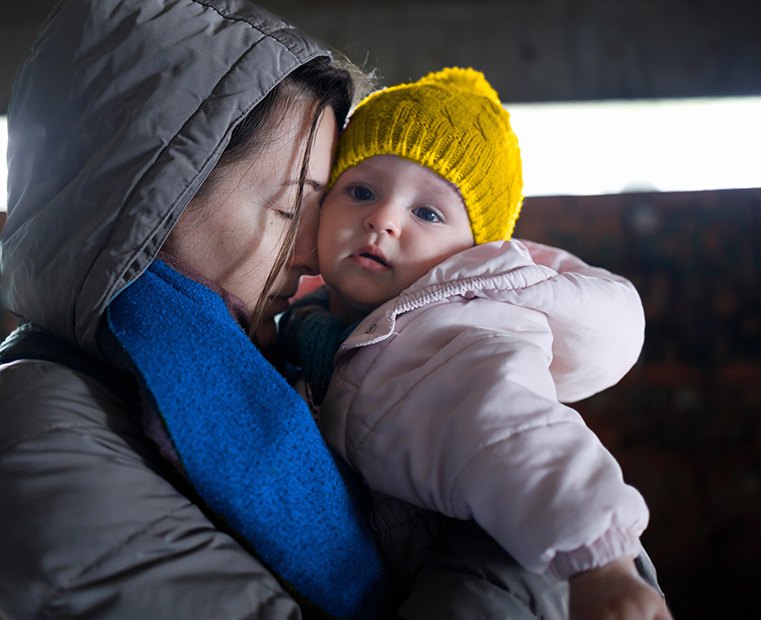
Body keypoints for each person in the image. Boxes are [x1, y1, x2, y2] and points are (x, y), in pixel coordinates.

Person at [0, 1, 396, 618]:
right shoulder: (36, 434)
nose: (312, 254)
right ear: (154, 197)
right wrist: (515, 538)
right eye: (289, 209)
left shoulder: (231, 383)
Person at [278, 67, 673, 619]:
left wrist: (601, 566)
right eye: (361, 191)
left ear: (469, 254)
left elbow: (523, 434)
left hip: (526, 556)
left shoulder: (457, 337)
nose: (383, 219)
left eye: (428, 212)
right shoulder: (304, 327)